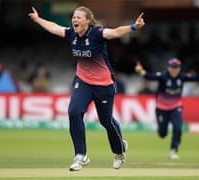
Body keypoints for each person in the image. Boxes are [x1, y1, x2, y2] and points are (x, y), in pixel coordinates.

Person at [28, 6, 145, 170]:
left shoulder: (97, 33)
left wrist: (133, 27)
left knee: (106, 121)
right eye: (74, 17)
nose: (74, 20)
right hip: (83, 82)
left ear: (88, 21)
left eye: (78, 17)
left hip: (104, 85)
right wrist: (38, 19)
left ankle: (119, 151)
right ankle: (80, 155)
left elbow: (116, 32)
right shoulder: (71, 34)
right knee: (74, 112)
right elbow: (54, 28)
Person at [135, 58, 199, 159]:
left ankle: (174, 150)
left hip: (175, 107)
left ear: (179, 68)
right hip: (161, 108)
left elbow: (196, 77)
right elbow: (150, 76)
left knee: (178, 128)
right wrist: (140, 71)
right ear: (168, 67)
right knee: (162, 134)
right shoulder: (163, 76)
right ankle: (161, 129)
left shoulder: (181, 76)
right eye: (172, 67)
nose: (174, 70)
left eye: (176, 67)